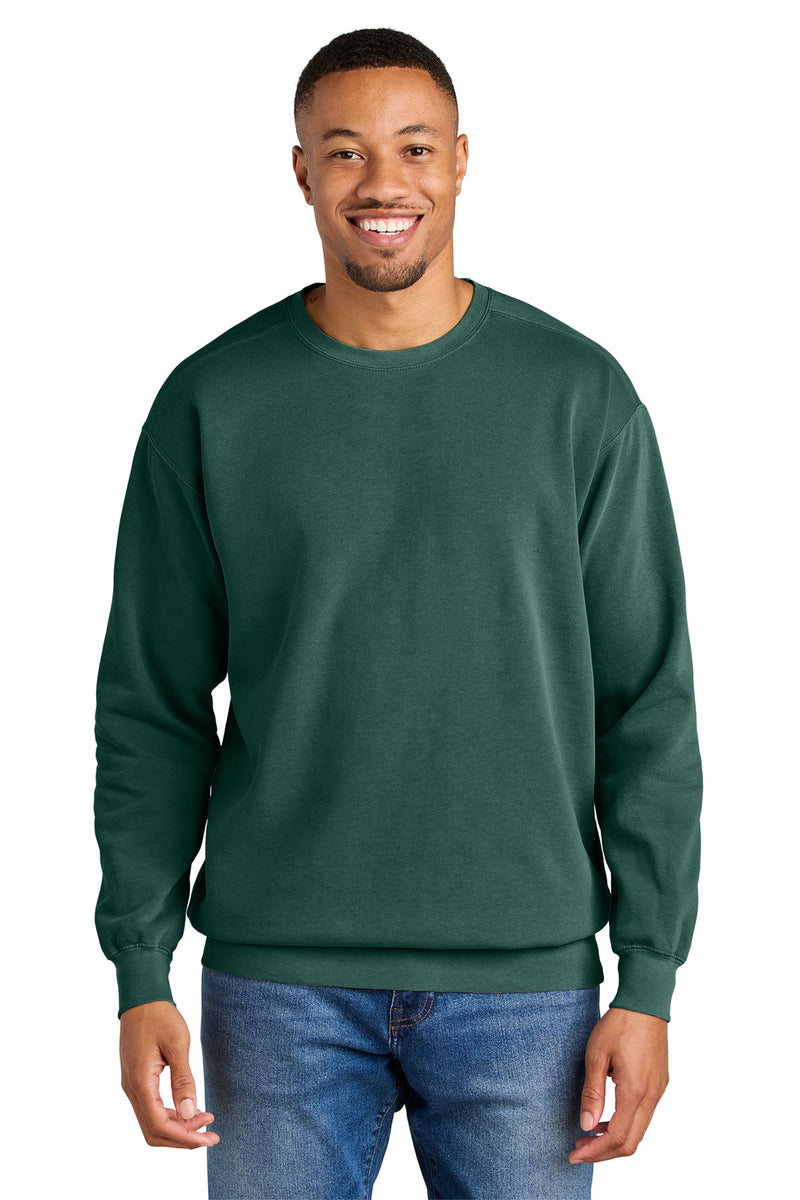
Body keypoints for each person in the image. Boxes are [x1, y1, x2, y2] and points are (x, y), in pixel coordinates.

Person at [93, 26, 703, 1200]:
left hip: (526, 991)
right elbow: (151, 706)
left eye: (414, 147)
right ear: (301, 172)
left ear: (461, 161)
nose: (382, 183)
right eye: (345, 151)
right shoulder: (213, 402)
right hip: (277, 987)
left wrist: (648, 980)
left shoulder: (577, 398)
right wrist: (138, 968)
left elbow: (645, 704)